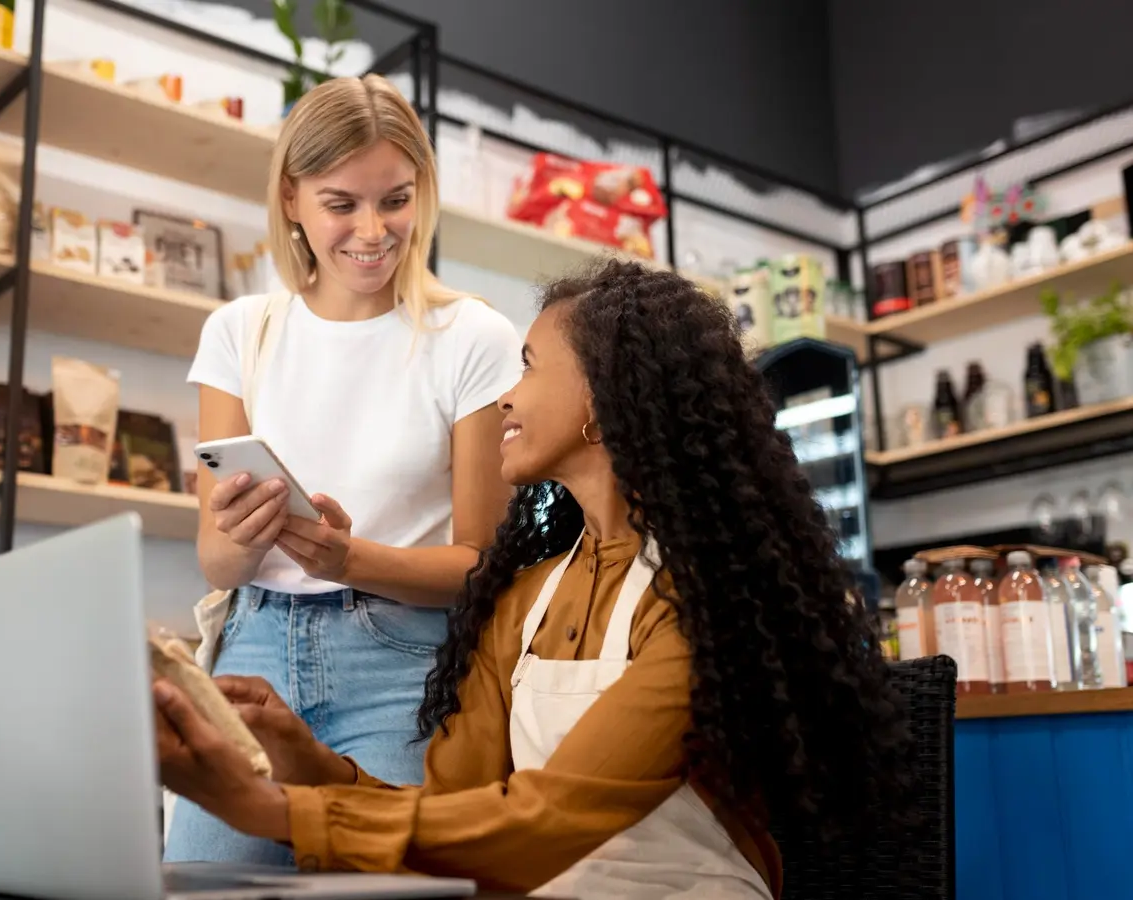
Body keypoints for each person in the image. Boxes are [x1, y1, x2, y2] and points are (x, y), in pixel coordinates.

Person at [154, 258, 914, 898]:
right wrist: (300, 758)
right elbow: (456, 814)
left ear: (602, 399)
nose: (505, 396)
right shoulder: (525, 596)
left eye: (527, 365)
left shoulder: (699, 601)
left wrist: (267, 810)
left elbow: (549, 818)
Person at [168, 73, 522, 865]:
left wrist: (349, 559)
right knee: (202, 886)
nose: (373, 230)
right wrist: (245, 538)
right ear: (292, 198)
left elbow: (482, 566)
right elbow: (215, 560)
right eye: (342, 204)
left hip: (403, 663)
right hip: (253, 649)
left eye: (395, 199)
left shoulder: (473, 338)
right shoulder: (240, 333)